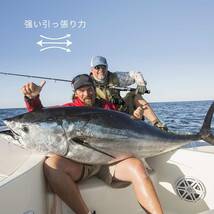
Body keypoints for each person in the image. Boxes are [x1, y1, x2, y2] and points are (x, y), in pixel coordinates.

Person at [21, 74, 163, 214]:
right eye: (81, 90)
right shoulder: (68, 109)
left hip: (109, 162)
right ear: (75, 93)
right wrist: (33, 99)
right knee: (52, 165)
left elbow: (125, 125)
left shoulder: (108, 107)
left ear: (94, 89)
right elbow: (42, 120)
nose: (87, 93)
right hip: (79, 164)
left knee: (137, 166)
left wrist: (135, 118)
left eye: (89, 88)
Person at [90, 56, 168, 131]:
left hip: (121, 112)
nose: (101, 70)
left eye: (104, 67)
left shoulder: (116, 77)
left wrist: (141, 83)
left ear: (107, 68)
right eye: (97, 67)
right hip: (102, 116)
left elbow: (135, 74)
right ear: (91, 69)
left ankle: (158, 126)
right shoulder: (87, 82)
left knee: (134, 95)